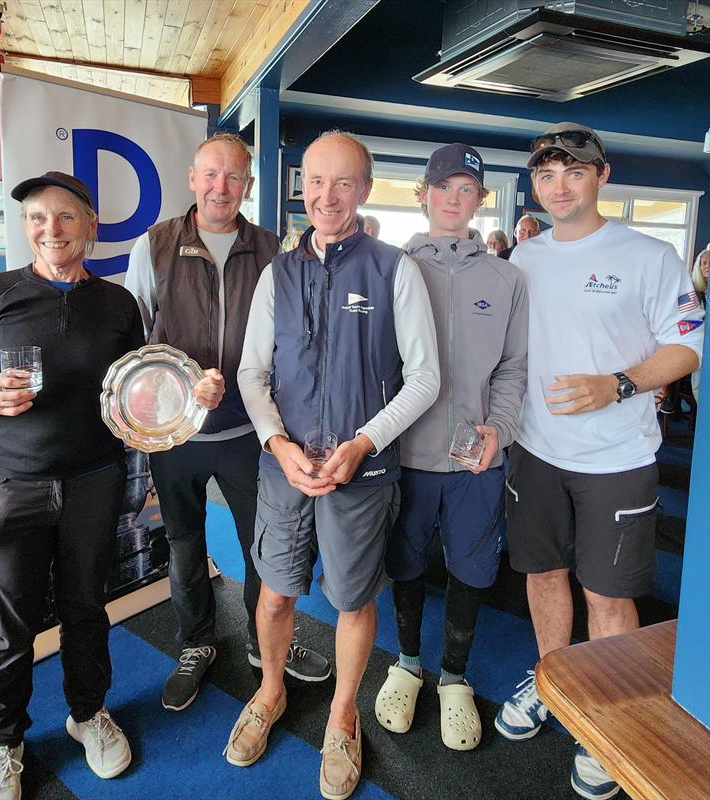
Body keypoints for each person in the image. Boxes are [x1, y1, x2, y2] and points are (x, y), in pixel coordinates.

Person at [0, 172, 197, 800]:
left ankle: (88, 715)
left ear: (90, 227)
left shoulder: (116, 304)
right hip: (8, 486)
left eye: (64, 217)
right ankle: (3, 745)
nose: (50, 230)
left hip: (91, 480)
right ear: (25, 228)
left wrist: (190, 394)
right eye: (36, 219)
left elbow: (145, 385)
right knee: (7, 623)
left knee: (85, 609)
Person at [225, 131, 440, 800]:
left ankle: (344, 713)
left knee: (352, 598)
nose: (326, 195)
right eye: (315, 181)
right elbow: (252, 372)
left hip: (363, 473)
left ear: (365, 190)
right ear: (302, 188)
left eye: (342, 183)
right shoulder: (277, 274)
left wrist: (363, 444)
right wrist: (276, 444)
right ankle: (270, 691)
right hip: (284, 469)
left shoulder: (394, 270)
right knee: (278, 590)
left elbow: (425, 378)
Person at [493, 122, 704, 800]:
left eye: (573, 172)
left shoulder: (650, 256)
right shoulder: (525, 258)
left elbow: (687, 348)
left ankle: (610, 716)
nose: (559, 186)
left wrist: (617, 383)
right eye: (547, 174)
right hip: (535, 453)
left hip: (617, 458)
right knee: (544, 575)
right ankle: (556, 683)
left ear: (601, 176)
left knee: (609, 596)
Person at [125, 133, 330, 715]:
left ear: (247, 184)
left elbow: (297, 339)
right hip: (176, 435)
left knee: (260, 548)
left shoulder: (273, 251)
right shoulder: (156, 245)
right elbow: (135, 343)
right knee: (185, 543)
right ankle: (196, 643)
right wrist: (174, 390)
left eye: (233, 177)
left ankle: (270, 648)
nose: (221, 187)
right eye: (210, 175)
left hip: (252, 434)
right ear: (192, 178)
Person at [374, 144, 528, 750]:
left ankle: (455, 677)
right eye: (444, 188)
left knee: (472, 566)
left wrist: (500, 431)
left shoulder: (507, 277)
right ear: (423, 193)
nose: (454, 200)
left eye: (467, 190)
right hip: (404, 453)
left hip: (475, 459)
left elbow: (514, 369)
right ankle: (408, 662)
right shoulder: (389, 266)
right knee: (406, 563)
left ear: (481, 200)